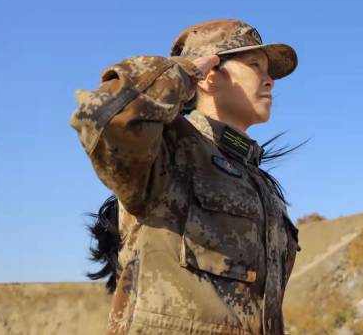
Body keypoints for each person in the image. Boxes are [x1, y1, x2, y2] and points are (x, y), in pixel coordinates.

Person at [69, 18, 308, 335]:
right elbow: (107, 114)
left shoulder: (260, 185)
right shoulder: (166, 150)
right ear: (210, 77)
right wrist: (184, 70)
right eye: (255, 66)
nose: (269, 81)